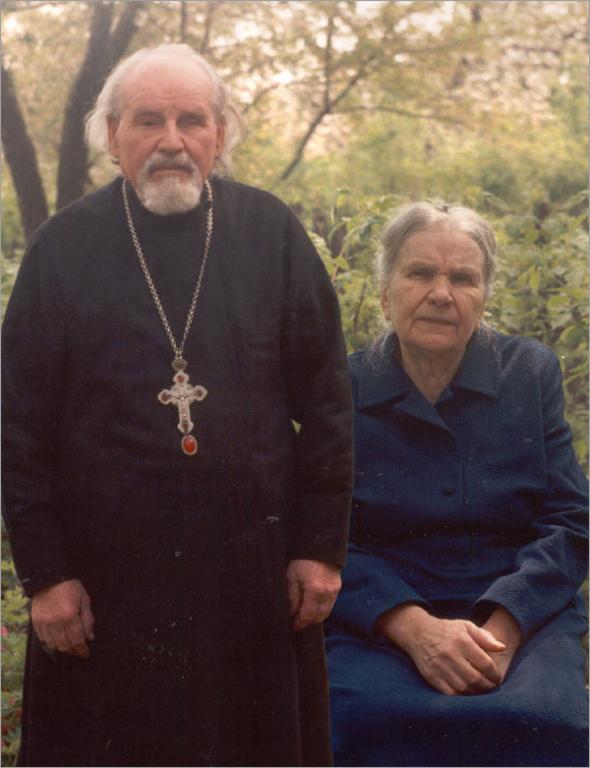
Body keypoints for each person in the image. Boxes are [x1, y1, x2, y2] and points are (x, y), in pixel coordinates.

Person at [2, 43, 353, 767]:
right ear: (112, 135)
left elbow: (327, 402)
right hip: (105, 588)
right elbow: (16, 426)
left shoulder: (271, 234)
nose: (172, 140)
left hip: (250, 580)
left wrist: (319, 550)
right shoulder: (62, 249)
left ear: (219, 133)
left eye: (191, 120)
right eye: (147, 121)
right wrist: (47, 575)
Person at [325, 202, 588, 767]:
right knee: (368, 723)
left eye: (463, 278)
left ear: (483, 297)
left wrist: (503, 632)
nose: (441, 294)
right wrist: (416, 631)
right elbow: (323, 536)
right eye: (420, 273)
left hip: (519, 618)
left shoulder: (528, 372)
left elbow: (570, 521)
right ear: (385, 292)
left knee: (546, 722)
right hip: (382, 622)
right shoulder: (345, 386)